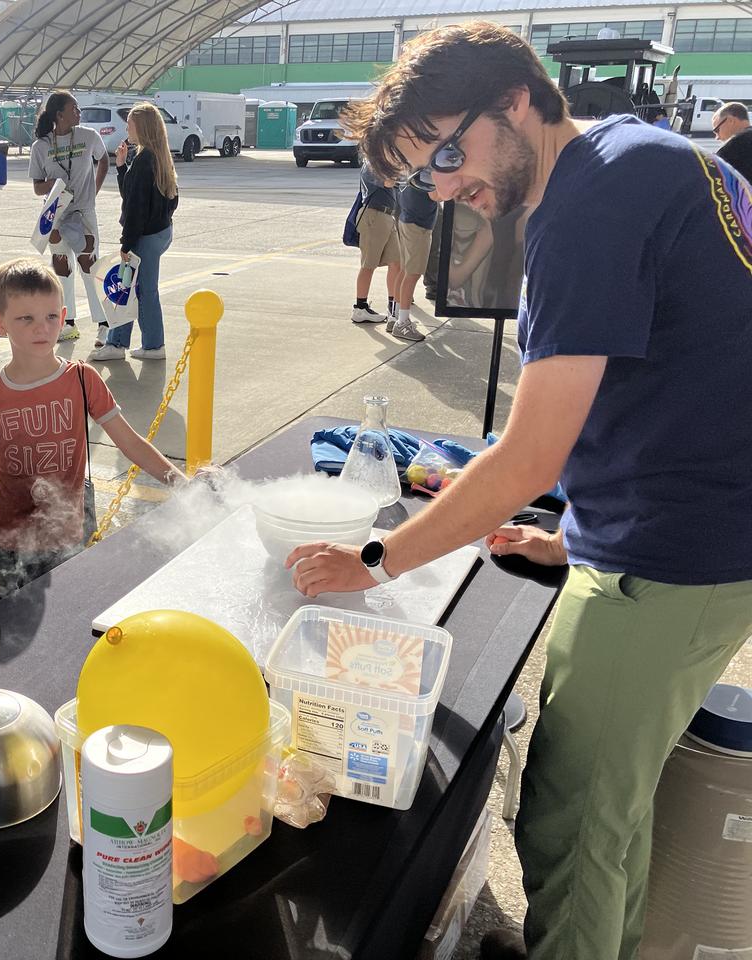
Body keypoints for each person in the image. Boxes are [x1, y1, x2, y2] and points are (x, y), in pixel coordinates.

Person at [326, 23, 752, 960]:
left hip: (677, 559)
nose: (444, 188)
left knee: (573, 818)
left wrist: (374, 561)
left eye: (447, 152)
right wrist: (578, 536)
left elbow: (527, 461)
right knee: (613, 810)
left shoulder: (588, 208)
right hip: (684, 534)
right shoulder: (646, 153)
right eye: (423, 176)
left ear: (517, 98)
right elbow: (693, 363)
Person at [0, 258, 187, 601]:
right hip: (7, 544)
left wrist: (181, 483)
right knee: (12, 634)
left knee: (72, 626)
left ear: (64, 314)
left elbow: (130, 442)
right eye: (26, 318)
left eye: (51, 317)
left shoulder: (83, 379)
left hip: (69, 537)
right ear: (0, 322)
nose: (42, 328)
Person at [91, 103, 180, 362]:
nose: (125, 128)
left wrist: (126, 244)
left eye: (129, 124)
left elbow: (135, 208)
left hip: (143, 237)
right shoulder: (158, 157)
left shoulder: (143, 161)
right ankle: (142, 343)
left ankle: (127, 344)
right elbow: (164, 199)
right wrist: (121, 167)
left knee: (128, 289)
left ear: (141, 127)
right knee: (137, 289)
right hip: (159, 233)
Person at [29, 91, 109, 344]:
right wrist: (51, 183)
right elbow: (37, 187)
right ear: (59, 114)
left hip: (83, 212)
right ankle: (69, 322)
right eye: (74, 108)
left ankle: (104, 324)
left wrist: (93, 191)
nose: (79, 112)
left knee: (90, 264)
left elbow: (103, 159)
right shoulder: (41, 146)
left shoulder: (88, 136)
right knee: (62, 266)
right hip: (56, 215)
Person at [351, 162, 401, 324]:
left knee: (396, 263)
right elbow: (388, 182)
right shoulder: (373, 164)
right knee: (369, 264)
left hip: (387, 216)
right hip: (374, 216)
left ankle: (394, 309)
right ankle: (360, 308)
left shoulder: (380, 162)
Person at [388, 181, 436, 342]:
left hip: (407, 219)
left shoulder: (412, 168)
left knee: (405, 270)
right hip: (418, 224)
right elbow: (436, 195)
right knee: (412, 274)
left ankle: (394, 317)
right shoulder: (426, 172)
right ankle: (402, 322)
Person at [714, 101, 752, 182]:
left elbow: (712, 174)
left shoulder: (735, 145)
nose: (717, 137)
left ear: (731, 121)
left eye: (717, 130)